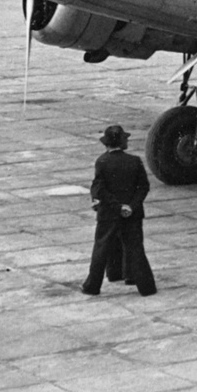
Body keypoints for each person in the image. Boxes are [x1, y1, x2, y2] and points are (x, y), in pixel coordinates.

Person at [81, 124, 156, 297]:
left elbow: (100, 189)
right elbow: (143, 187)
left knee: (101, 248)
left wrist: (117, 206)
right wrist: (131, 206)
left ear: (106, 144)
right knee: (135, 248)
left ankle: (92, 286)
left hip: (109, 213)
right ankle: (145, 286)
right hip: (132, 213)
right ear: (122, 142)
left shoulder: (102, 162)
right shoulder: (135, 161)